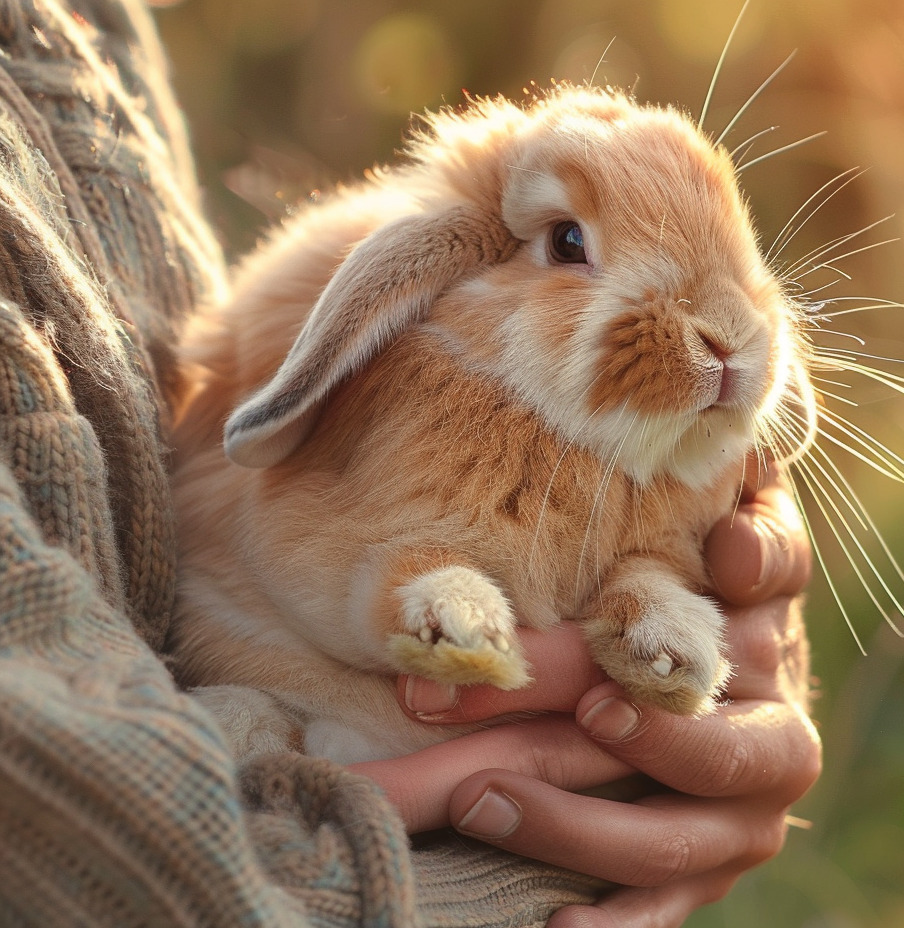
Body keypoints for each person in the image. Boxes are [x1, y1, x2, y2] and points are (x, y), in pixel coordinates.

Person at [0, 0, 820, 925]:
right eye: (571, 245)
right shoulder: (421, 366)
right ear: (447, 268)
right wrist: (539, 876)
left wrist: (682, 616)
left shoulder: (95, 25)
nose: (715, 340)